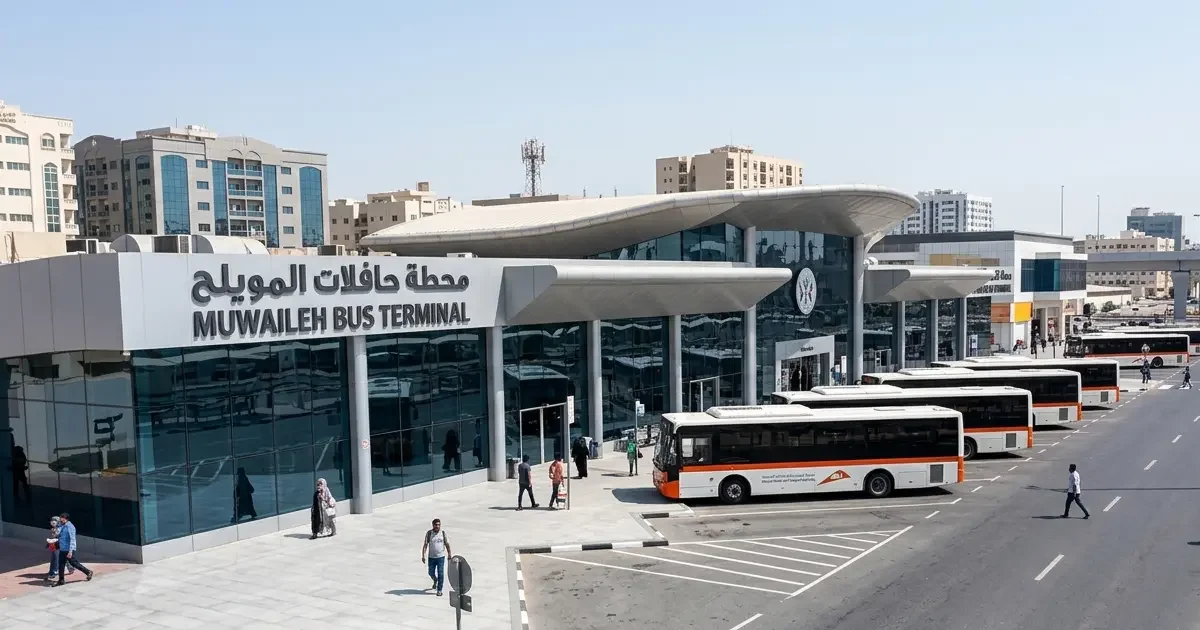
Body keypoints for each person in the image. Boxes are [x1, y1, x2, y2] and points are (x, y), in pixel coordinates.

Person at [54, 513, 93, 586]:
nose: (60, 520)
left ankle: (88, 572)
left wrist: (71, 551)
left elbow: (72, 539)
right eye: (60, 519)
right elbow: (57, 534)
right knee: (61, 565)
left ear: (66, 519)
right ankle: (61, 580)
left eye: (62, 519)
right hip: (62, 549)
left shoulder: (70, 527)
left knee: (74, 563)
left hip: (68, 549)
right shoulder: (61, 526)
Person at [420, 518, 451, 597]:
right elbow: (425, 545)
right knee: (431, 572)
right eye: (436, 525)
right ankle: (435, 580)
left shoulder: (443, 533)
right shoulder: (429, 533)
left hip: (441, 557)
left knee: (441, 573)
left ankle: (439, 590)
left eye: (439, 525)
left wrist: (449, 553)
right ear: (433, 525)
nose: (438, 526)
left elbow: (447, 544)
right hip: (432, 557)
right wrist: (423, 555)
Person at [44, 516, 74, 582]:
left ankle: (53, 573)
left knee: (55, 558)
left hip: (60, 545)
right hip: (55, 545)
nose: (53, 522)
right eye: (52, 520)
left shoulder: (61, 528)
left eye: (55, 520)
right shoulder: (54, 529)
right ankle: (70, 568)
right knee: (61, 557)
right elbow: (52, 537)